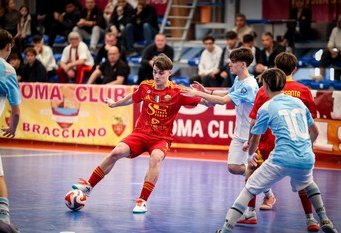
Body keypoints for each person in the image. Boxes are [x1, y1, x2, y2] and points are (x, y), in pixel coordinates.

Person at [72, 53, 208, 213]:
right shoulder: (146, 86)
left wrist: (203, 92)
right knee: (116, 152)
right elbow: (133, 96)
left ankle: (142, 201)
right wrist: (116, 104)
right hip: (140, 134)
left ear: (170, 73)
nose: (157, 76)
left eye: (161, 73)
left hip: (161, 138)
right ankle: (89, 186)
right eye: (155, 71)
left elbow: (208, 103)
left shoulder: (178, 92)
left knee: (156, 158)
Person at [215, 68, 338, 233]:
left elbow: (255, 138)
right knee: (308, 183)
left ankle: (225, 229)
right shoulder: (298, 102)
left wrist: (250, 155)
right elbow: (315, 132)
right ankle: (323, 219)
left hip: (281, 158)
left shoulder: (266, 107)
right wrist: (304, 148)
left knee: (250, 188)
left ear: (265, 85)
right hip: (306, 157)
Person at [238, 52, 319, 232]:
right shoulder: (304, 91)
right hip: (296, 147)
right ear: (295, 69)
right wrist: (308, 146)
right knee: (304, 183)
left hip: (268, 145)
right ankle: (311, 219)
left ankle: (250, 213)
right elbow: (310, 123)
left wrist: (250, 143)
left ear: (274, 66)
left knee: (251, 171)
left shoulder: (263, 90)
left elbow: (253, 121)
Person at [182, 47, 259, 177]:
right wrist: (206, 91)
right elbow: (227, 93)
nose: (229, 64)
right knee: (233, 167)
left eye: (233, 61)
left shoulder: (248, 85)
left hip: (250, 134)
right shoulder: (239, 80)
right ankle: (258, 175)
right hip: (239, 132)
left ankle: (267, 192)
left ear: (243, 64)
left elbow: (223, 101)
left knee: (249, 169)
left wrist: (197, 93)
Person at [0, 29, 21, 233]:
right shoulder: (8, 70)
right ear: (8, 47)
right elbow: (16, 110)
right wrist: (12, 127)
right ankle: (3, 220)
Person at [312, 15, 341, 81]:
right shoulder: (335, 30)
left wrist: (338, 51)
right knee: (325, 53)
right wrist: (332, 51)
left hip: (339, 52)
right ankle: (321, 75)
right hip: (335, 52)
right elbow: (330, 42)